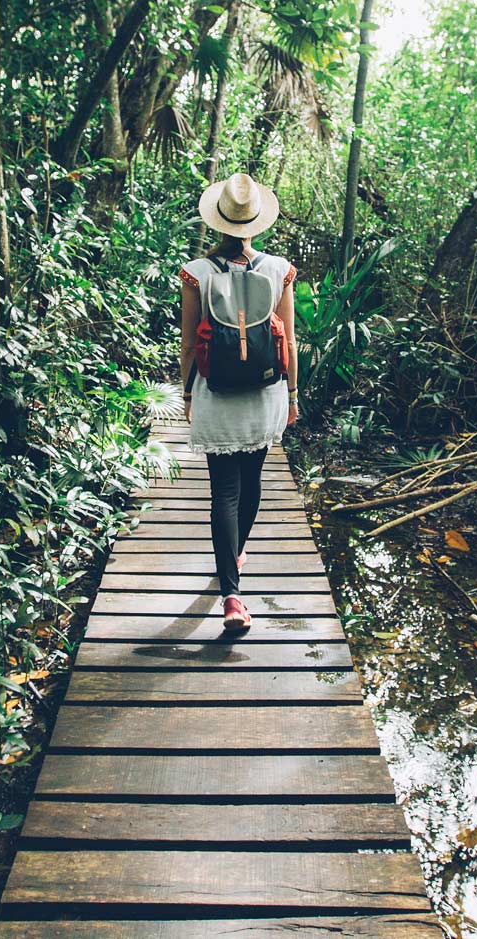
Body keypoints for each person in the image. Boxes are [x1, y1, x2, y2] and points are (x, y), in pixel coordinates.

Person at [178, 172, 299, 632]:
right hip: (265, 391)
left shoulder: (197, 272)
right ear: (256, 223)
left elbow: (189, 346)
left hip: (217, 395)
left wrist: (188, 393)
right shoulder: (278, 269)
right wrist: (291, 396)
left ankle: (232, 595)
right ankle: (236, 555)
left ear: (218, 223)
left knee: (222, 492)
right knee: (252, 483)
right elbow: (289, 343)